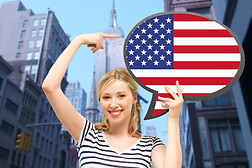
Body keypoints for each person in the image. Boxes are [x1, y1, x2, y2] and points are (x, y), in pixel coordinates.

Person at [42, 32, 184, 168]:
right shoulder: (87, 135)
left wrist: (173, 118)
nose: (113, 104)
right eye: (106, 97)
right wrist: (79, 40)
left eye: (121, 96)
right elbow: (50, 87)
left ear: (134, 99)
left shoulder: (150, 144)